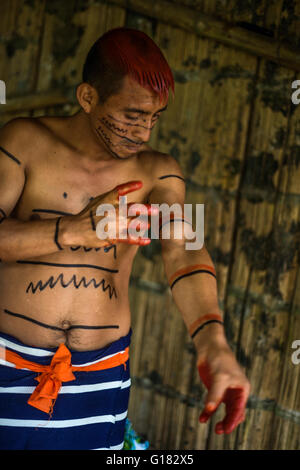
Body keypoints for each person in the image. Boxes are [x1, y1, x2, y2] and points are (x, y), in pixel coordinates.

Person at [0, 27, 250, 450]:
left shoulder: (159, 171)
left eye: (154, 118)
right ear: (87, 97)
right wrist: (75, 230)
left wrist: (213, 341)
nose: (144, 133)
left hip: (102, 371)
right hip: (8, 359)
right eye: (133, 115)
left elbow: (184, 251)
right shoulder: (23, 141)